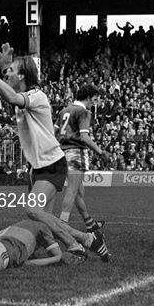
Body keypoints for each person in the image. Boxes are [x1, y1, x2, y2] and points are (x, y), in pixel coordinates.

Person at [0, 43, 110, 262]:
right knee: (42, 220)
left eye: (11, 71)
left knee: (33, 209)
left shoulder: (37, 95)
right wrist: (4, 70)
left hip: (51, 165)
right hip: (38, 167)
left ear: (22, 75)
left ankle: (84, 239)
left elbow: (12, 97)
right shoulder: (23, 95)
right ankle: (68, 250)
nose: (7, 74)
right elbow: (8, 93)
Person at [54, 84, 109, 231]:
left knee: (78, 192)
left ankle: (89, 223)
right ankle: (62, 226)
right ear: (88, 97)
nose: (95, 103)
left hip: (62, 153)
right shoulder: (83, 112)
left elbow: (54, 132)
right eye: (95, 99)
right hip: (76, 152)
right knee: (72, 191)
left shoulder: (64, 110)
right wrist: (101, 152)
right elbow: (84, 137)